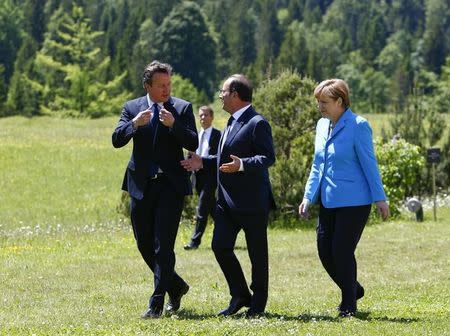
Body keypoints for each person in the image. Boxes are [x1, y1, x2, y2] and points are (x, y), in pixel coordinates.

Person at [181, 74, 276, 318]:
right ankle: (240, 294)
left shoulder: (257, 123)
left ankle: (258, 306)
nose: (220, 96)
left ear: (235, 94)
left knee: (257, 256)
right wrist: (203, 161)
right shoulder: (230, 122)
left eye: (223, 91)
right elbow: (224, 161)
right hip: (226, 203)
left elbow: (268, 157)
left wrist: (242, 164)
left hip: (253, 202)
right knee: (220, 247)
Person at [112, 61, 198, 318]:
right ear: (148, 86)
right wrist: (134, 124)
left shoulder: (182, 108)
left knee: (164, 246)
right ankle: (176, 285)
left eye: (169, 84)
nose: (166, 89)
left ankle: (156, 303)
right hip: (141, 186)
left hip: (170, 186)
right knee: (144, 244)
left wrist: (174, 125)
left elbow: (194, 140)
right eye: (161, 85)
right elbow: (116, 140)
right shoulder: (132, 108)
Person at [298, 78, 390, 317]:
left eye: (325, 102)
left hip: (355, 201)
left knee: (341, 251)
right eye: (318, 102)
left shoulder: (358, 125)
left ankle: (349, 303)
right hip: (328, 200)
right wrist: (308, 197)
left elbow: (369, 164)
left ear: (340, 101)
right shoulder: (321, 125)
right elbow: (317, 165)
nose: (320, 106)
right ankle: (354, 288)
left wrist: (380, 198)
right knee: (324, 250)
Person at [184, 106, 221, 250]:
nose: (203, 118)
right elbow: (190, 155)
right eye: (200, 116)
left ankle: (194, 242)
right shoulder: (195, 136)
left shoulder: (218, 135)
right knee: (212, 209)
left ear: (212, 117)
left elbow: (219, 158)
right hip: (197, 177)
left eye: (206, 115)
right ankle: (229, 231)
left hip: (210, 177)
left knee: (202, 208)